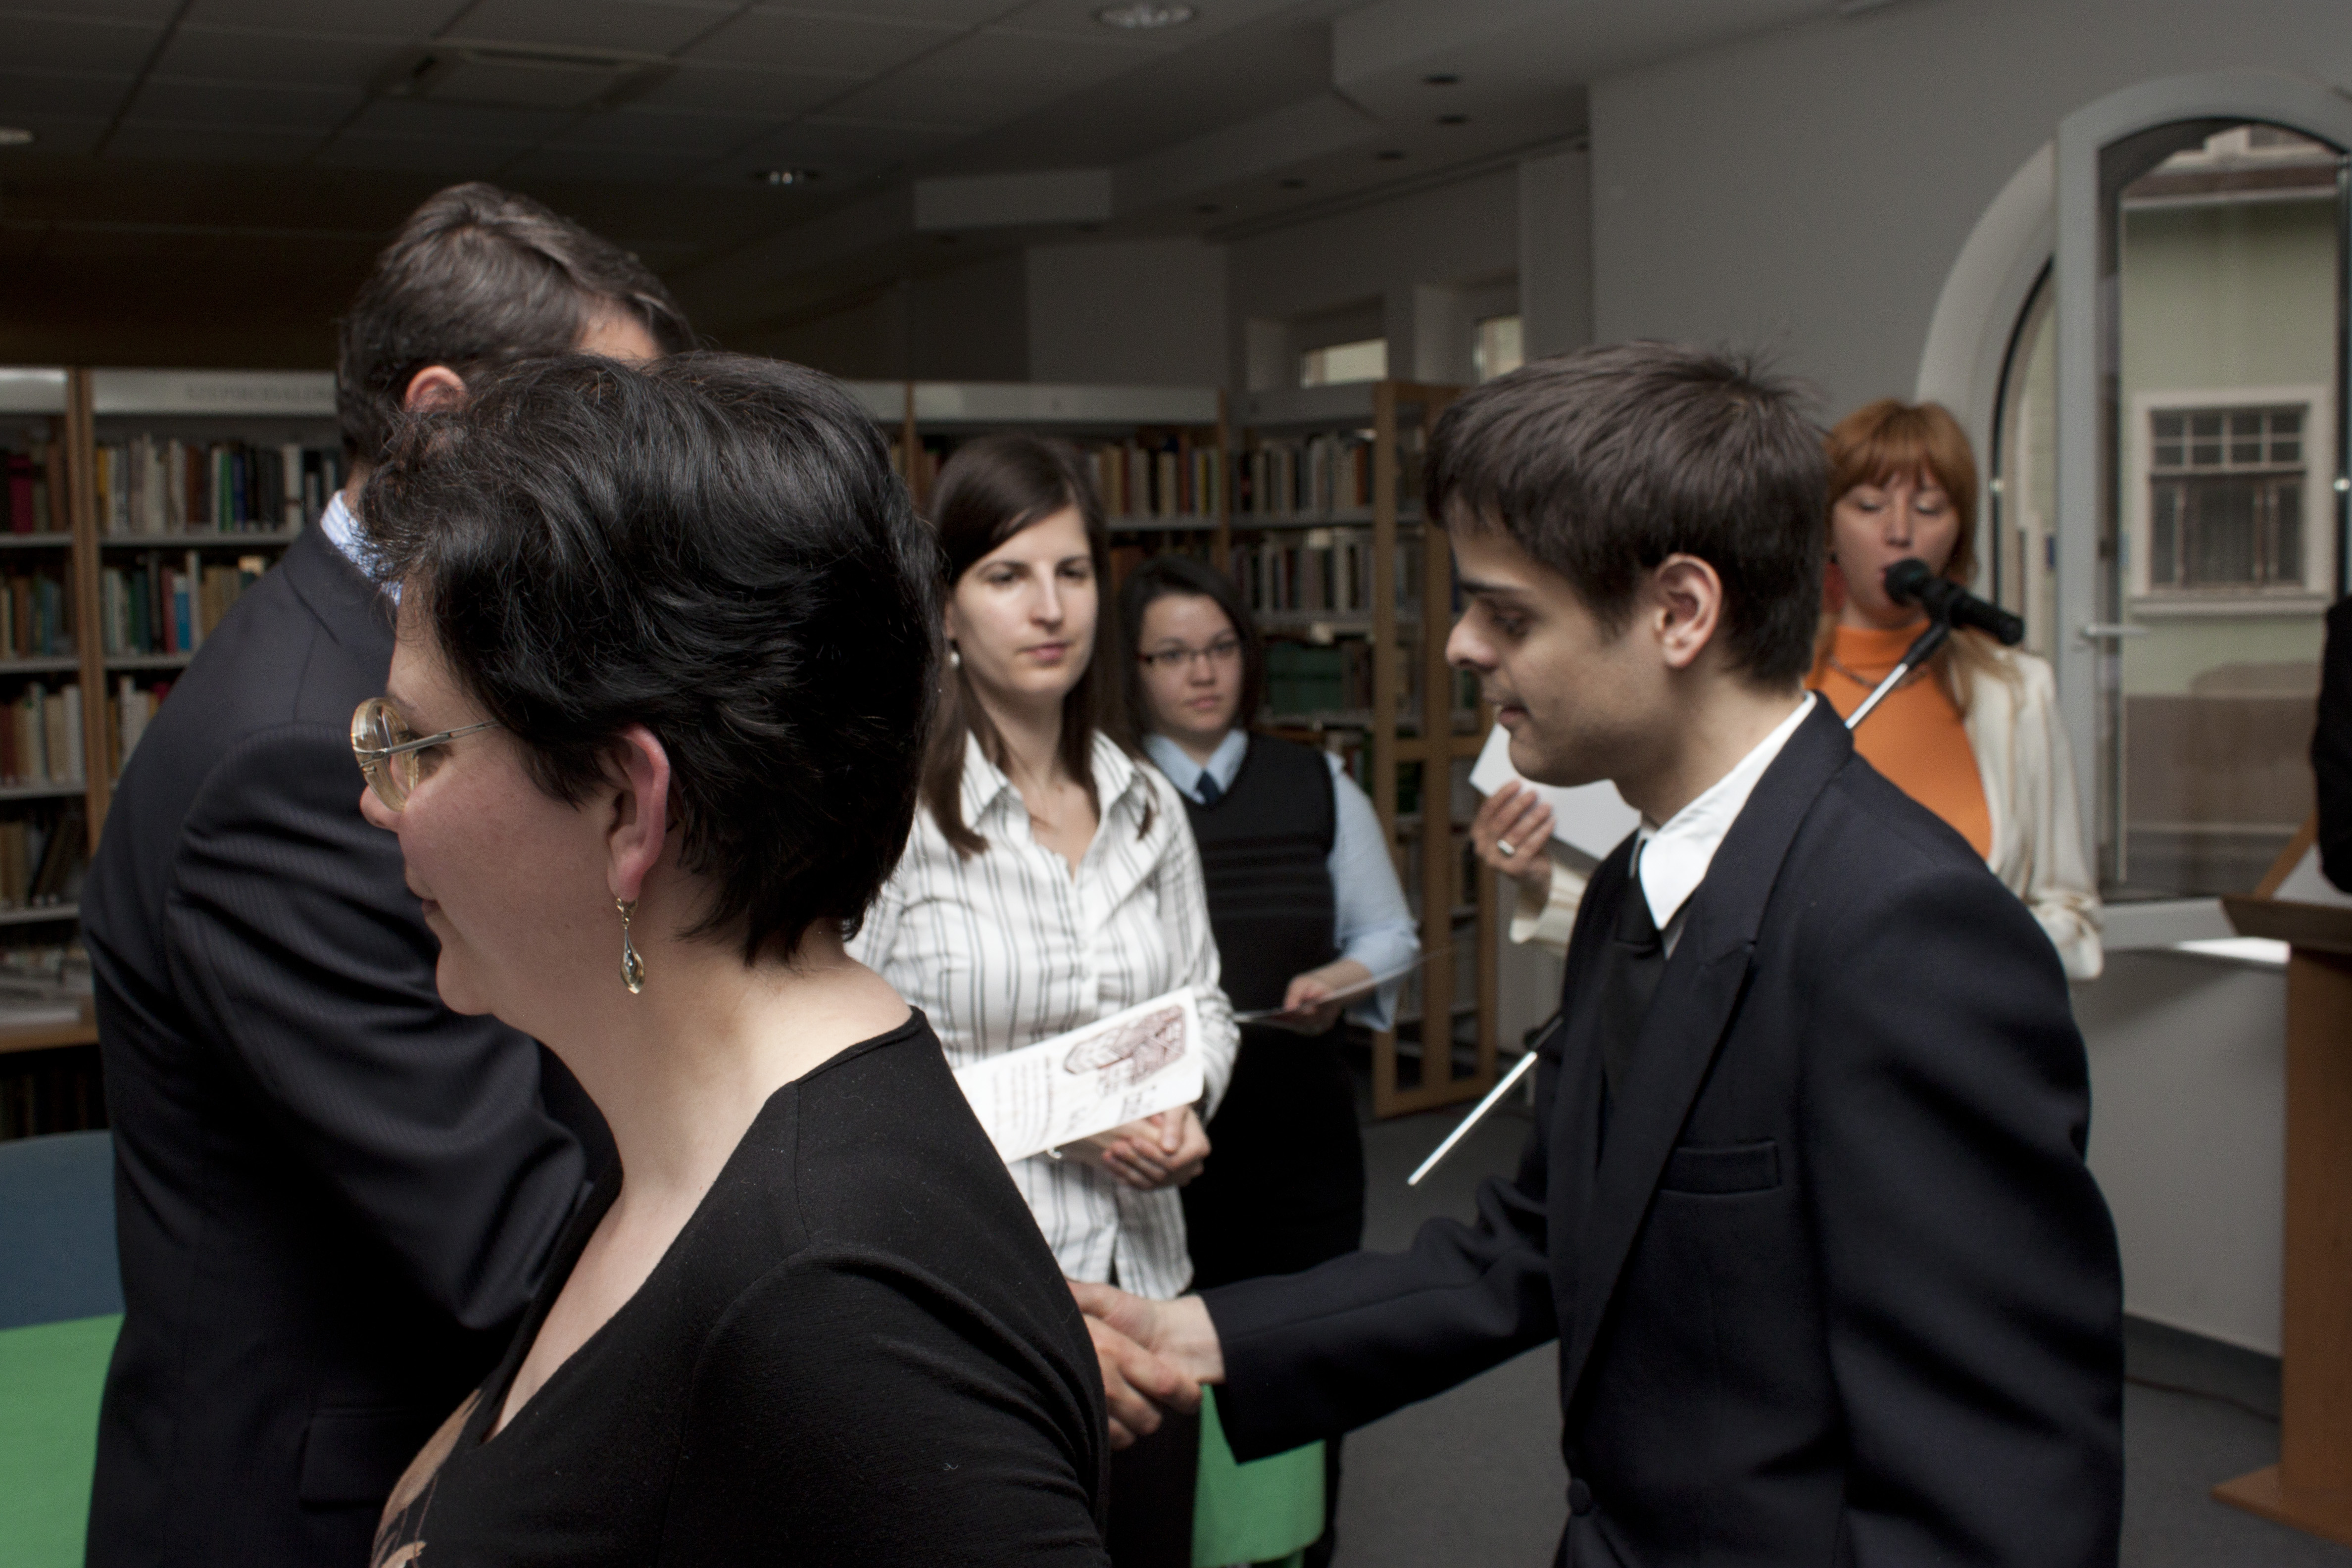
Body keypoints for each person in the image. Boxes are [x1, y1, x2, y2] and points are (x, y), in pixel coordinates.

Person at [1077, 343, 2125, 1568]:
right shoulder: (1635, 882)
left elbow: (1997, 1488)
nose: (1461, 645)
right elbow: (1540, 1237)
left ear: (1679, 612)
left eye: (1507, 613)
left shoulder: (1906, 931)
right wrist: (1203, 1334)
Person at [353, 352, 1109, 1566]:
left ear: (624, 806)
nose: (376, 799)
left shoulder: (835, 1300)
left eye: (413, 744)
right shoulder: (687, 1143)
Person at [80, 183, 691, 1568]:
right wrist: (835, 1313)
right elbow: (504, 1228)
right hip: (314, 1506)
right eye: (598, 426)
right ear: (438, 417)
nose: (637, 486)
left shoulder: (431, 666)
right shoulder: (303, 756)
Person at [848, 433, 1238, 1568]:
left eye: (1072, 572)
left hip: (1147, 1284)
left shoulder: (1146, 803)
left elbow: (1205, 1007)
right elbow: (840, 1072)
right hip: (978, 1297)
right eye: (1007, 575)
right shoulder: (892, 816)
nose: (1049, 607)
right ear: (946, 605)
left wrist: (1183, 1101)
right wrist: (1068, 1113)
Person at [1119, 553, 1419, 1568]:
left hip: (1304, 1144)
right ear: (1133, 670)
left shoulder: (1317, 781)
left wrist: (1339, 978)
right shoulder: (1110, 794)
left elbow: (1389, 935)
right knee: (1166, 1384)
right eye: (1172, 655)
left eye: (1221, 647)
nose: (1203, 672)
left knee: (1305, 1359)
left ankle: (1305, 1548)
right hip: (1162, 1157)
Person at [1807, 398, 2101, 979]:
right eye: (1869, 505)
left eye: (1928, 508)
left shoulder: (2019, 692)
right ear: (1828, 529)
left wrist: (1968, 954)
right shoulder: (1769, 685)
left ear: (1959, 533)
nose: (1899, 533)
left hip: (1965, 1020)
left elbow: (2074, 920)